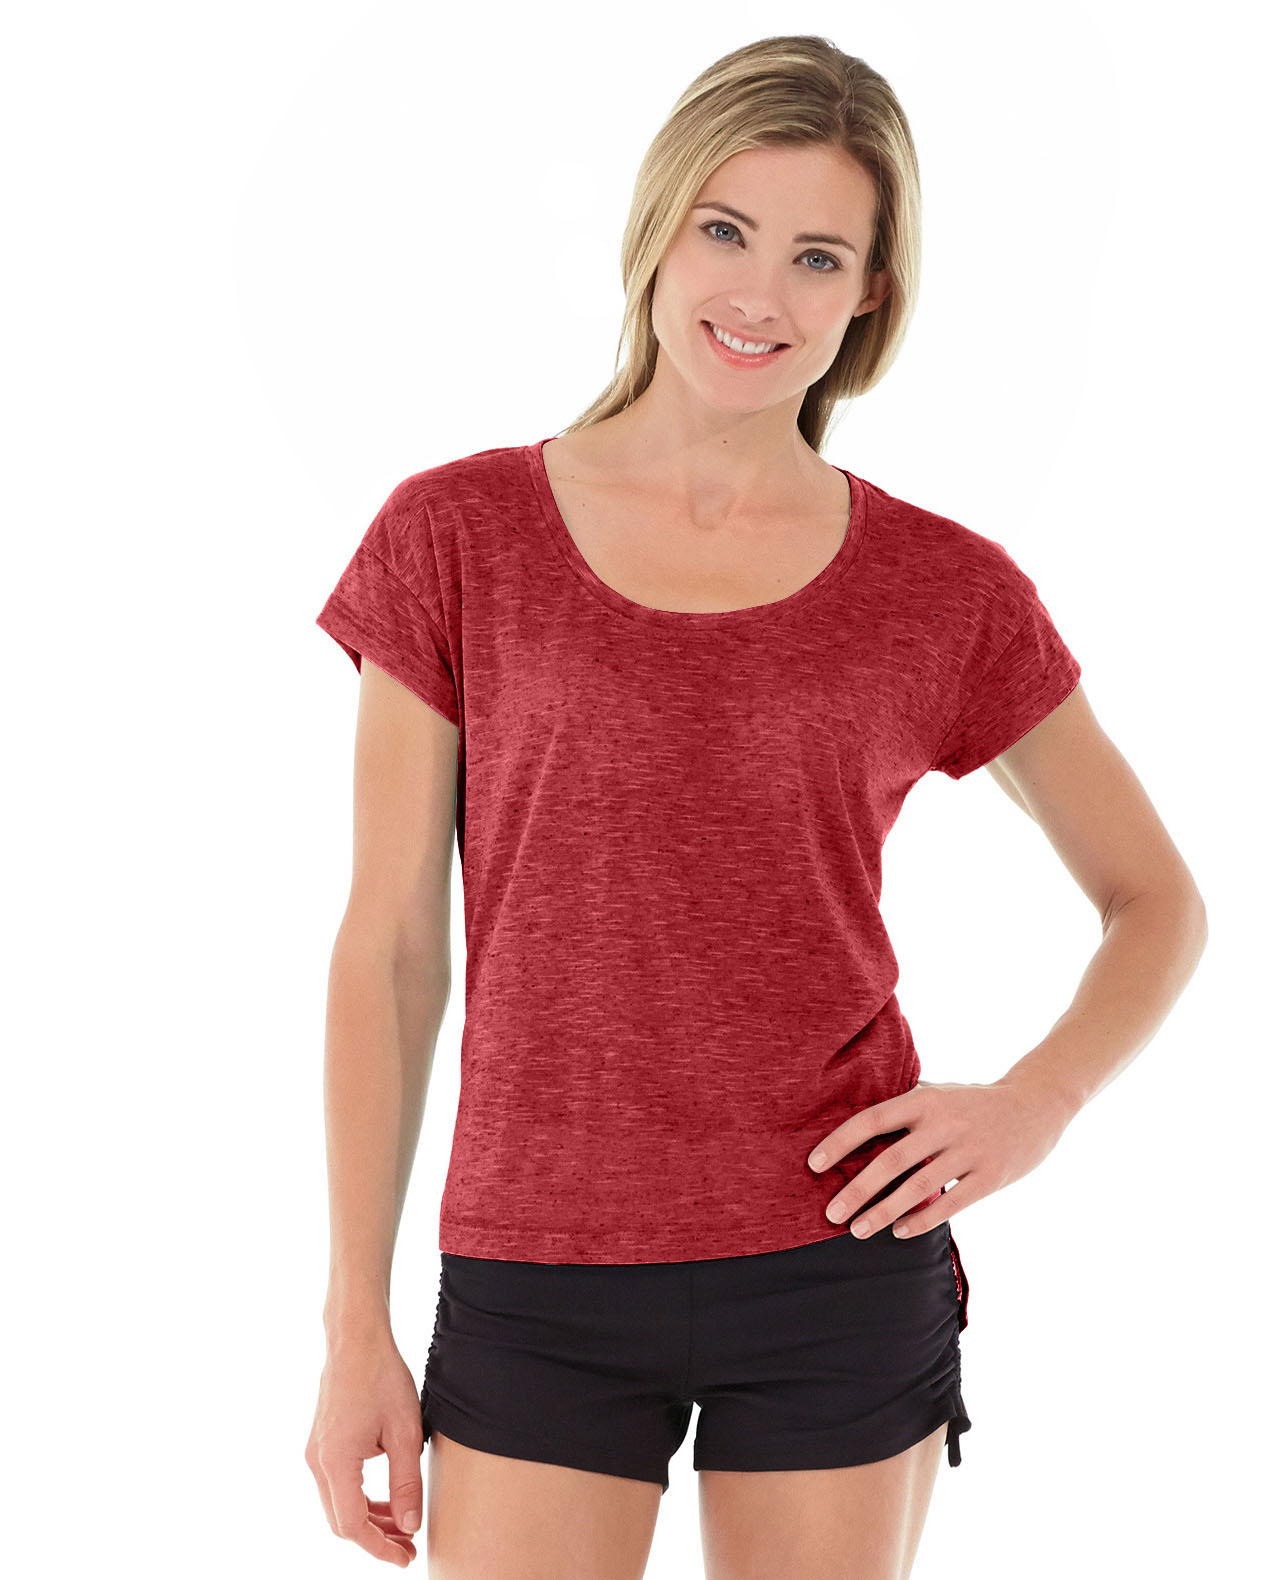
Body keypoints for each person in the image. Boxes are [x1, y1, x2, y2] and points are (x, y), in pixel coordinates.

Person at [304, 33, 1208, 1579]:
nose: (759, 293)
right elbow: (390, 950)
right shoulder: (458, 534)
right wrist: (352, 1327)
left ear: (869, 295)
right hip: (539, 1265)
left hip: (838, 1261)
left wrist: (1033, 1103)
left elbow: (1156, 900)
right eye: (726, 229)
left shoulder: (944, 589)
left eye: (816, 256)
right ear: (658, 228)